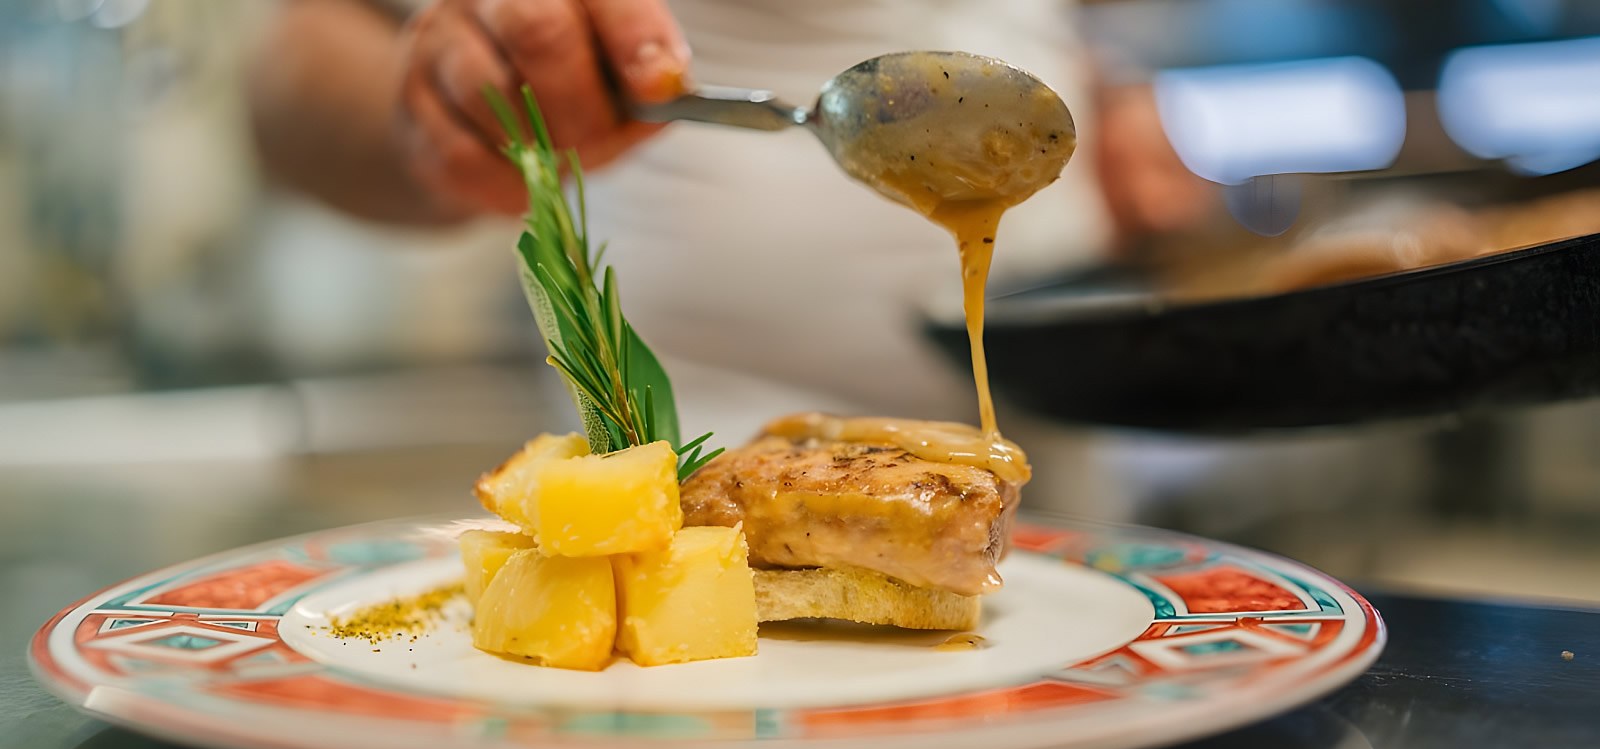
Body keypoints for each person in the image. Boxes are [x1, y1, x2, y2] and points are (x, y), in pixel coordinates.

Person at [249, 0, 1208, 429]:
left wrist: (1117, 107)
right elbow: (286, 70)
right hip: (693, 488)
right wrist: (430, 110)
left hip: (1068, 493)